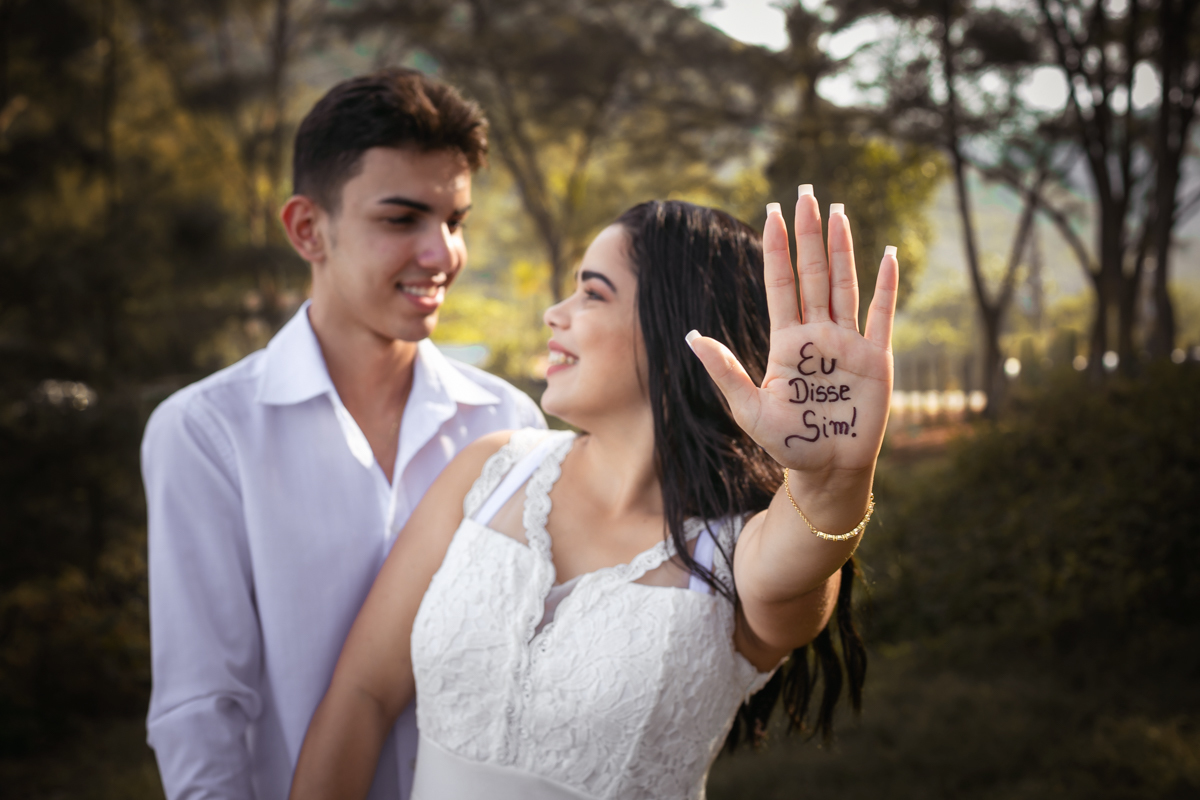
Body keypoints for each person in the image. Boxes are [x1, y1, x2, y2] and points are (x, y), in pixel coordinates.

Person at [288, 189, 898, 799]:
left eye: (593, 293)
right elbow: (361, 696)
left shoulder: (737, 552)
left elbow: (805, 551)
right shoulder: (491, 469)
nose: (556, 312)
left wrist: (831, 484)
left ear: (679, 330)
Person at [141, 69, 545, 800]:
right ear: (307, 229)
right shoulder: (206, 433)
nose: (442, 254)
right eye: (402, 219)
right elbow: (202, 707)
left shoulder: (510, 424)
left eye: (455, 221)